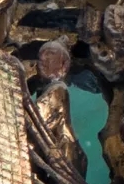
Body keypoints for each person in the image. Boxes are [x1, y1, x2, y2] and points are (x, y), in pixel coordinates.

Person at [35, 39, 86, 176]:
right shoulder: (47, 90)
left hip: (63, 156)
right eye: (40, 55)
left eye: (50, 54)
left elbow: (37, 118)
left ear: (64, 65)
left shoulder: (58, 89)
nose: (43, 58)